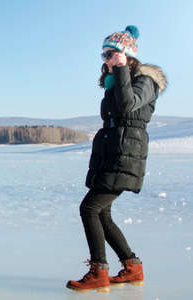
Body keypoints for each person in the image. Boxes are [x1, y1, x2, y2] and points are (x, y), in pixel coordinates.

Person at [66, 26, 166, 292]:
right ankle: (132, 267)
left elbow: (126, 106)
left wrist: (120, 70)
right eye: (104, 56)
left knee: (90, 209)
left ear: (126, 55)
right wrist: (117, 74)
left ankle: (99, 271)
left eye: (111, 54)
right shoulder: (116, 83)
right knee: (103, 213)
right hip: (110, 154)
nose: (106, 60)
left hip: (125, 156)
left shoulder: (146, 81)